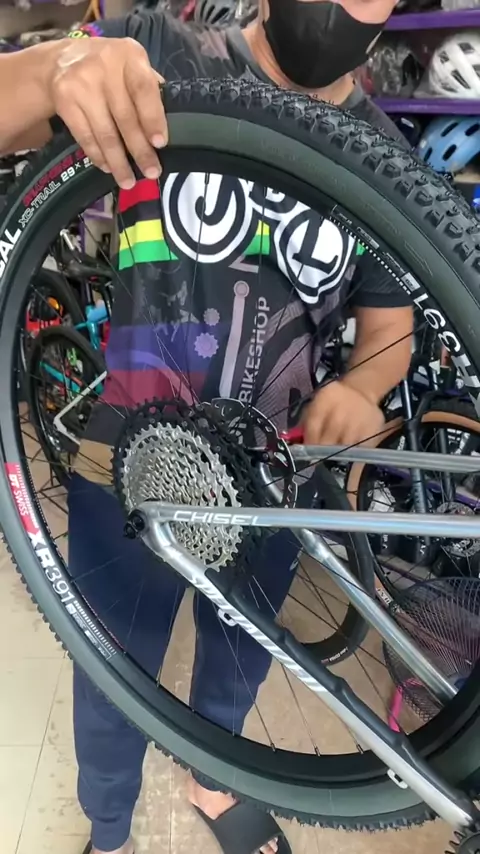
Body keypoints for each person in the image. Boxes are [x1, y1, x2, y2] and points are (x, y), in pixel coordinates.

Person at [3, 3, 414, 854]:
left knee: (242, 658)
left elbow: (389, 331)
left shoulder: (384, 158)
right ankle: (108, 829)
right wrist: (54, 70)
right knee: (111, 672)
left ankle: (215, 780)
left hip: (274, 477)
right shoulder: (159, 52)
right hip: (125, 465)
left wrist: (365, 387)